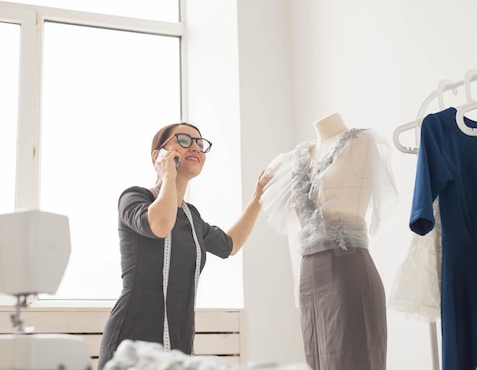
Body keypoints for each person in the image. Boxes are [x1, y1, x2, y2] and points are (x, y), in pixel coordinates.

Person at [97, 121, 267, 370]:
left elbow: (230, 245)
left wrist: (258, 196)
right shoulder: (135, 198)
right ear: (159, 155)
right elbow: (161, 224)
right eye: (184, 140)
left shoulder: (191, 217)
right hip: (131, 338)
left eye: (200, 143)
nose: (195, 147)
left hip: (179, 339)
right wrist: (167, 175)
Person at [260, 113, 397, 370]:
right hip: (308, 276)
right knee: (316, 358)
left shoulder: (361, 142)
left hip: (348, 267)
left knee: (355, 357)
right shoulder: (298, 157)